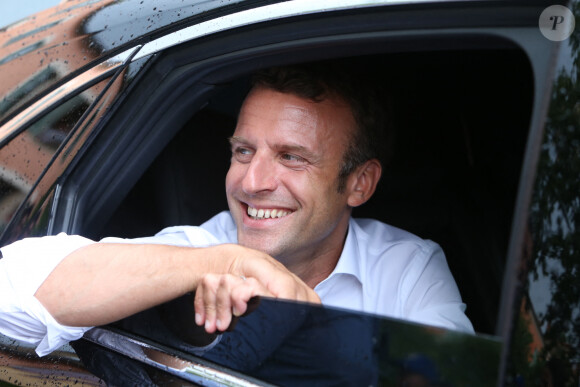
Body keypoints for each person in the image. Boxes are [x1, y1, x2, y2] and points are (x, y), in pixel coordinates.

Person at [0, 63, 473, 358]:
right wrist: (229, 261)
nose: (251, 183)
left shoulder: (407, 265)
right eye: (243, 151)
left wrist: (312, 330)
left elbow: (454, 375)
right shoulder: (205, 248)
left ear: (359, 183)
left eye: (291, 157)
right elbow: (11, 293)